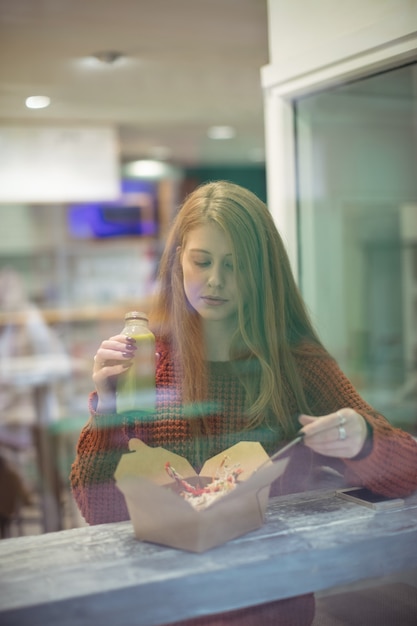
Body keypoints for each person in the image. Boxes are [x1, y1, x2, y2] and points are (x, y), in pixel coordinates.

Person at [70, 181, 417, 626]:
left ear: (262, 271)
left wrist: (364, 440)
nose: (216, 280)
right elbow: (99, 511)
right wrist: (108, 406)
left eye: (235, 265)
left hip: (270, 603)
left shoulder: (296, 364)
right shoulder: (144, 363)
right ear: (178, 260)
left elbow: (407, 471)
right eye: (202, 261)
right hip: (167, 604)